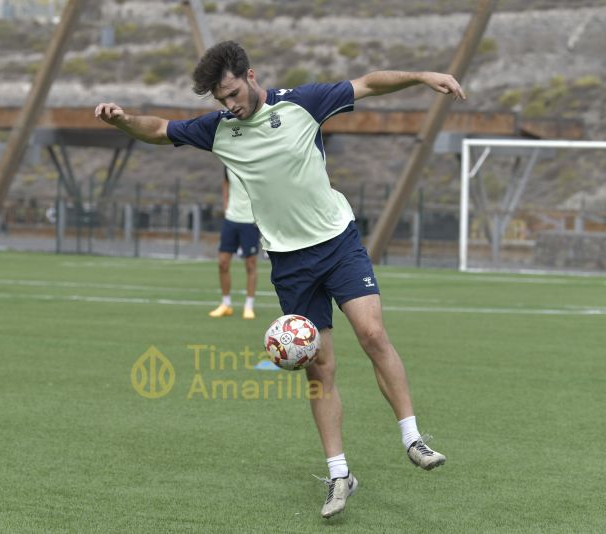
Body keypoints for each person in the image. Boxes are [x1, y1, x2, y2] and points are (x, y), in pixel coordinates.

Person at [95, 41, 464, 519]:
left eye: (232, 93)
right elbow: (160, 129)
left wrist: (421, 75)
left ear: (251, 76)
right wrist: (122, 120)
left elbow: (369, 83)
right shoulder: (218, 130)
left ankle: (413, 438)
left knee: (372, 334)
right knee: (320, 368)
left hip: (338, 242)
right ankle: (338, 475)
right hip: (289, 263)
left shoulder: (303, 103)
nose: (229, 105)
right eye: (219, 99)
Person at [209, 167, 260, 320]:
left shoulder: (256, 162)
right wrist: (226, 206)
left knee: (250, 265)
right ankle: (226, 304)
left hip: (250, 221)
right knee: (222, 263)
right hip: (231, 220)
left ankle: (249, 306)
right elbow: (226, 183)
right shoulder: (228, 162)